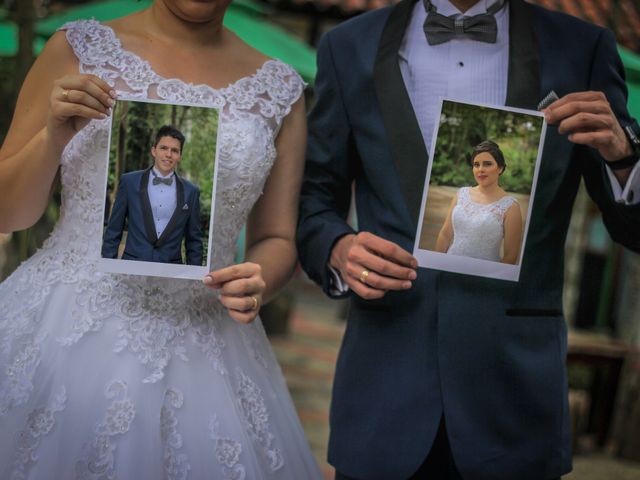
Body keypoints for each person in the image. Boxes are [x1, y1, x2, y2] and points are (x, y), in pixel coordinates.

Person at [297, 0, 640, 478]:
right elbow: (314, 198)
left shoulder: (582, 49)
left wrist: (624, 157)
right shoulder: (348, 45)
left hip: (514, 399)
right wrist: (337, 248)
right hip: (383, 395)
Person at [0, 0, 321, 478]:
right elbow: (11, 211)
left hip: (206, 344)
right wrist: (53, 137)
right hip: (63, 327)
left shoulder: (280, 90)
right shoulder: (77, 49)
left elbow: (276, 235)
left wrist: (260, 278)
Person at [101, 125, 204, 265]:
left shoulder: (191, 192)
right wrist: (108, 266)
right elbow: (113, 231)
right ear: (154, 151)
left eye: (174, 150)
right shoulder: (129, 182)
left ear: (179, 156)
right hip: (131, 266)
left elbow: (194, 242)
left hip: (170, 271)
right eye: (163, 148)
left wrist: (193, 278)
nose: (168, 154)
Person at [435, 140, 522, 264]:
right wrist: (437, 264)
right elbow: (445, 235)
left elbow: (511, 256)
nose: (481, 169)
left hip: (483, 276)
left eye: (487, 164)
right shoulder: (461, 194)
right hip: (449, 265)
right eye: (476, 164)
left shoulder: (510, 206)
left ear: (500, 168)